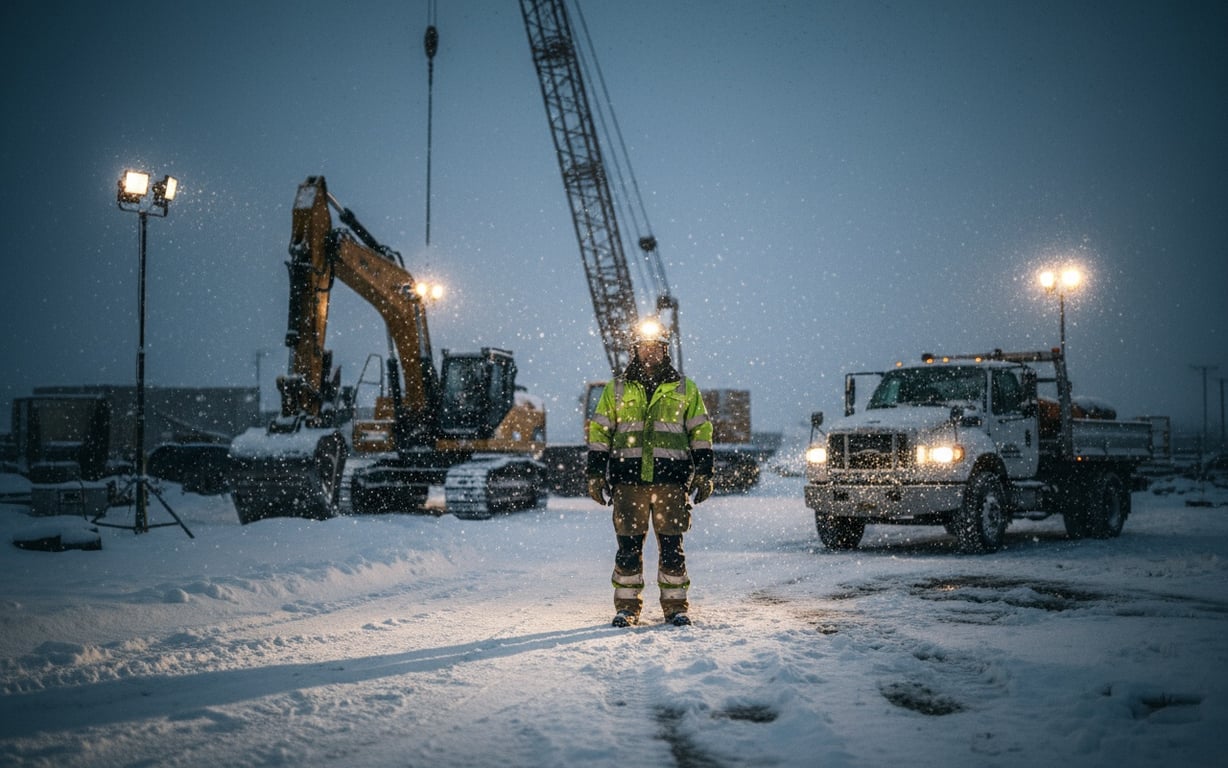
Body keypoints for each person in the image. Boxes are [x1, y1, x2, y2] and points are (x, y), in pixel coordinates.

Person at [586, 318, 714, 627]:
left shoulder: (685, 388)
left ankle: (676, 608)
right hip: (628, 482)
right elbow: (600, 433)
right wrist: (595, 474)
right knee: (628, 548)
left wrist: (704, 473)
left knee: (672, 547)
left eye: (655, 348)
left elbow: (701, 433)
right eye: (643, 347)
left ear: (665, 351)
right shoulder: (615, 389)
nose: (649, 353)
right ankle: (627, 608)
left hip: (671, 482)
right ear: (634, 351)